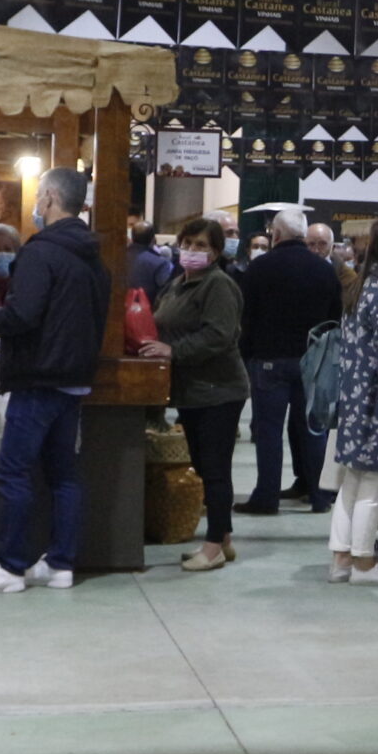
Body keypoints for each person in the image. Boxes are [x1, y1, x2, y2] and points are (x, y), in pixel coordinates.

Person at [0, 167, 113, 595]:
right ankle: (61, 564)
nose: (36, 205)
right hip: (74, 379)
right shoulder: (94, 256)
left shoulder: (41, 251)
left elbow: (23, 313)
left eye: (39, 196)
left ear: (50, 199)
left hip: (38, 376)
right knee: (63, 474)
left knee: (13, 471)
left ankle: (9, 566)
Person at [140, 217, 248, 574]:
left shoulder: (218, 285)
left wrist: (172, 350)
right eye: (188, 243)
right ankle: (225, 538)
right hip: (191, 392)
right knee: (203, 467)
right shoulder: (176, 285)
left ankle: (213, 546)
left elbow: (219, 336)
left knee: (215, 470)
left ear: (216, 252)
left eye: (202, 246)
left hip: (218, 390)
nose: (193, 251)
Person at [236, 205, 343, 515]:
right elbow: (334, 319)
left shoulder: (259, 269)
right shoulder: (325, 270)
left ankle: (266, 496)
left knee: (269, 431)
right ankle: (320, 496)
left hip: (269, 360)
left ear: (276, 234)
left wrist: (249, 354)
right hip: (311, 361)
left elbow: (247, 317)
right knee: (313, 429)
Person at [327, 219, 378, 584]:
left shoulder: (359, 287)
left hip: (353, 394)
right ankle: (363, 563)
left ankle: (341, 557)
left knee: (352, 480)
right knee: (375, 482)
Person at [127, 221, 175, 308]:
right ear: (153, 239)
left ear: (132, 238)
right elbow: (167, 293)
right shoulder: (160, 263)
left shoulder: (116, 258)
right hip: (146, 315)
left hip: (116, 314)